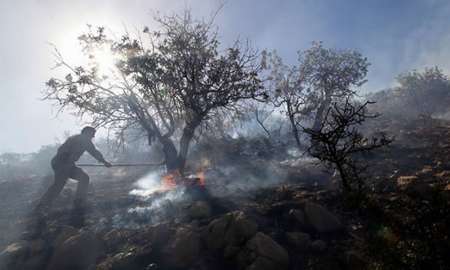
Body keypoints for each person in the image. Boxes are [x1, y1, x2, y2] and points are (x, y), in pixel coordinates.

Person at [35, 126, 112, 213]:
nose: (93, 137)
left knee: (84, 178)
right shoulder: (81, 139)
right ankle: (42, 206)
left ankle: (79, 201)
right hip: (61, 164)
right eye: (92, 134)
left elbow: (93, 152)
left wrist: (104, 161)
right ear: (87, 133)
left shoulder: (80, 139)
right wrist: (104, 162)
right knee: (59, 184)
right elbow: (93, 152)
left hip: (66, 164)